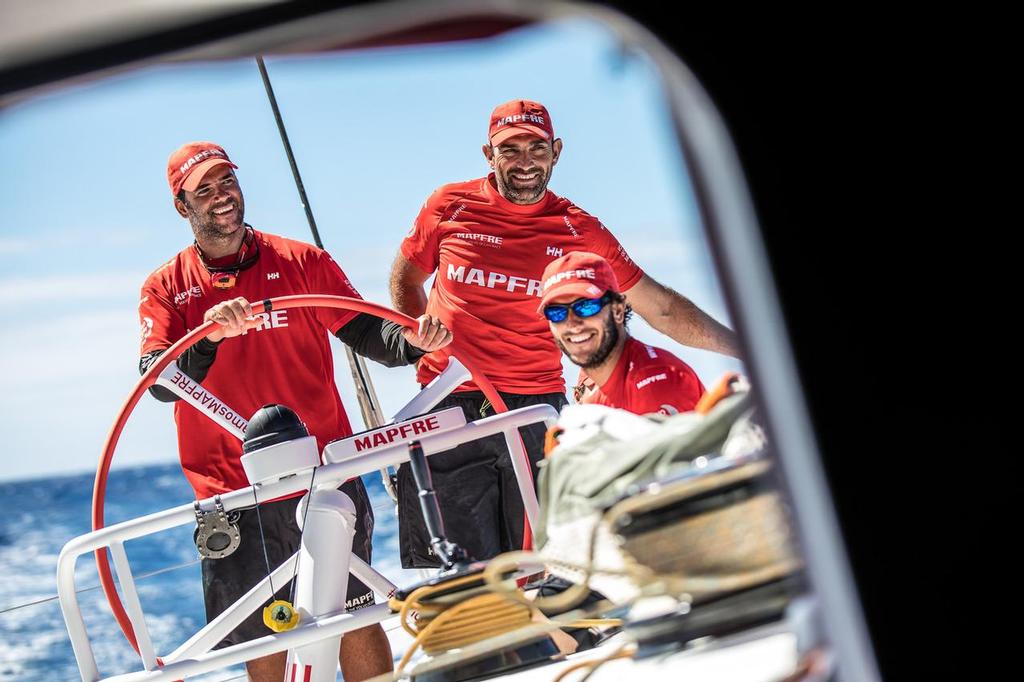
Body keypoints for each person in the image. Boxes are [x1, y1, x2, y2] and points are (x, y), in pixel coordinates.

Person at [139, 141, 451, 682]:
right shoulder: (165, 288)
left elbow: (370, 335)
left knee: (355, 615)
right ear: (181, 207)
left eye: (227, 182)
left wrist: (417, 342)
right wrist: (210, 336)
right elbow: (158, 383)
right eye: (204, 190)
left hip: (324, 478)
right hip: (233, 494)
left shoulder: (302, 261)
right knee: (263, 633)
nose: (222, 197)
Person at [388, 99, 737, 568]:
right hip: (449, 404)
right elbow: (405, 278)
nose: (525, 162)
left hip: (536, 408)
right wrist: (418, 336)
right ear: (488, 155)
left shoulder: (581, 229)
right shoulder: (448, 205)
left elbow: (664, 310)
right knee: (464, 578)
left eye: (536, 148)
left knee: (552, 566)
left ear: (556, 151)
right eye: (510, 149)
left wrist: (750, 350)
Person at [538, 251, 705, 415]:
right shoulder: (595, 402)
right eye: (556, 312)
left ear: (618, 309)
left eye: (586, 307)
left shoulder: (657, 380)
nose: (572, 323)